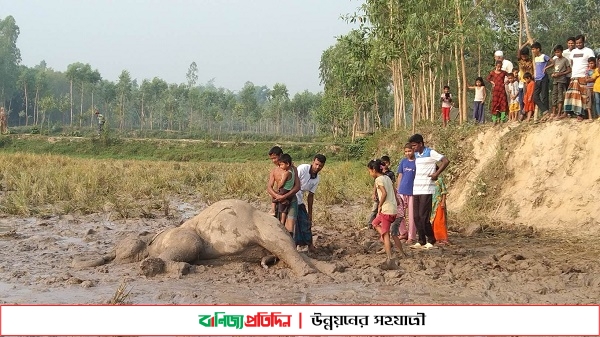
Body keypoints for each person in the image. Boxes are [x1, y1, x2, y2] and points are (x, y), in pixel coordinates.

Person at [409, 134, 449, 250]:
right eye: (412, 146)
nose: (413, 148)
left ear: (421, 144)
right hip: (416, 188)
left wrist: (436, 174)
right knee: (416, 216)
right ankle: (421, 240)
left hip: (427, 188)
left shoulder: (430, 153)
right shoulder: (416, 155)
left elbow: (445, 161)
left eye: (415, 145)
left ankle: (431, 239)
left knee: (423, 216)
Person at [368, 159, 403, 263]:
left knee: (385, 234)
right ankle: (401, 253)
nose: (370, 173)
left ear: (374, 170)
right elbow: (394, 190)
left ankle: (389, 257)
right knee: (374, 223)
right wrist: (396, 201)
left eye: (369, 171)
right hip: (393, 209)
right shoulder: (387, 177)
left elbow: (384, 193)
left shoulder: (378, 180)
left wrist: (379, 206)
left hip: (386, 210)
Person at [295, 154, 326, 253]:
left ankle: (310, 245)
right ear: (313, 162)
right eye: (316, 164)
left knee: (306, 222)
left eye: (320, 165)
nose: (317, 167)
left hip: (299, 200)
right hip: (291, 197)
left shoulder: (316, 179)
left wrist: (310, 213)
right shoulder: (303, 168)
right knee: (293, 223)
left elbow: (310, 196)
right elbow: (293, 181)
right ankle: (294, 245)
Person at [266, 146, 300, 236]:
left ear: (281, 155)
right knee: (278, 226)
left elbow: (297, 187)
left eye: (275, 158)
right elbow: (269, 187)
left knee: (289, 228)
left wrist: (284, 196)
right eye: (271, 159)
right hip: (278, 199)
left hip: (291, 199)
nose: (273, 161)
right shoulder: (274, 171)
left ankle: (291, 247)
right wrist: (277, 196)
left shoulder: (293, 169)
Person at [564, 34, 596, 121]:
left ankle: (582, 114)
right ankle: (573, 113)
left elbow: (592, 63)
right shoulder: (573, 52)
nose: (578, 44)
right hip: (574, 76)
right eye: (577, 43)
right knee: (573, 95)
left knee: (584, 96)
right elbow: (572, 62)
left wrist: (589, 74)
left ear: (583, 42)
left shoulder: (589, 51)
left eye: (580, 43)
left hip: (584, 76)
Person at [396, 143, 417, 244]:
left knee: (411, 215)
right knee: (399, 213)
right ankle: (403, 232)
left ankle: (411, 236)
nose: (408, 153)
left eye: (409, 151)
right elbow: (400, 175)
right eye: (406, 152)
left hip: (413, 192)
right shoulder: (403, 162)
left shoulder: (417, 162)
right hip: (402, 191)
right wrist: (398, 189)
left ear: (413, 151)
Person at [547, 45, 572, 120]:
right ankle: (554, 113)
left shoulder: (565, 60)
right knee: (554, 95)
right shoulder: (555, 60)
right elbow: (554, 69)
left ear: (561, 51)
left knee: (560, 96)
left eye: (558, 52)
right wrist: (553, 74)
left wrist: (560, 74)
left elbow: (569, 70)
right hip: (555, 80)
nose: (557, 53)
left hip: (561, 80)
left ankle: (559, 113)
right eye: (556, 52)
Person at [274, 153, 295, 227]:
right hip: (289, 190)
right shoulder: (292, 170)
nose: (281, 166)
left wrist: (278, 186)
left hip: (284, 190)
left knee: (280, 206)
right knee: (284, 209)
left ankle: (281, 221)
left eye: (282, 165)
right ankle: (284, 201)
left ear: (287, 164)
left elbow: (282, 183)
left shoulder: (286, 173)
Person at [531, 42, 551, 121]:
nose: (533, 51)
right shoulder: (535, 58)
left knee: (544, 95)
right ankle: (545, 111)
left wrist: (546, 68)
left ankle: (546, 114)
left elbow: (552, 61)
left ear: (538, 49)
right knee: (535, 97)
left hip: (543, 78)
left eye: (533, 49)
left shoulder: (544, 56)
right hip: (537, 79)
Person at [430, 171, 448, 245]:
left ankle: (443, 237)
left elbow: (444, 191)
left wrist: (443, 201)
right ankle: (435, 237)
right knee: (432, 221)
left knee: (440, 220)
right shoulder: (428, 181)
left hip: (439, 202)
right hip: (430, 204)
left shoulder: (440, 180)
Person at [517, 46, 534, 117]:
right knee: (521, 100)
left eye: (525, 55)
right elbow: (519, 51)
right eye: (522, 55)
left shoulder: (531, 62)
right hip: (521, 82)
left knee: (526, 98)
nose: (523, 57)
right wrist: (526, 43)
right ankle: (522, 113)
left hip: (528, 83)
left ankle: (526, 113)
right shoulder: (520, 61)